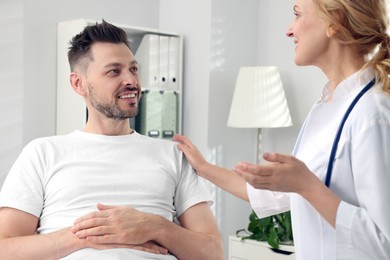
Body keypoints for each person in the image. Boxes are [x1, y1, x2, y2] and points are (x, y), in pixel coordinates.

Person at [174, 0, 390, 259]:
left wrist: (307, 186)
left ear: (335, 22)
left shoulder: (372, 114)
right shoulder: (326, 106)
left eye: (297, 15)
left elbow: (383, 242)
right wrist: (204, 168)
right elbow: (273, 194)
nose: (289, 30)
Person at [0, 20, 223, 260]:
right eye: (114, 71)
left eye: (134, 69)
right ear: (78, 83)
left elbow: (214, 253)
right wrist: (89, 236)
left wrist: (155, 226)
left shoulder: (173, 155)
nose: (131, 81)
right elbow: (6, 249)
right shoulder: (43, 152)